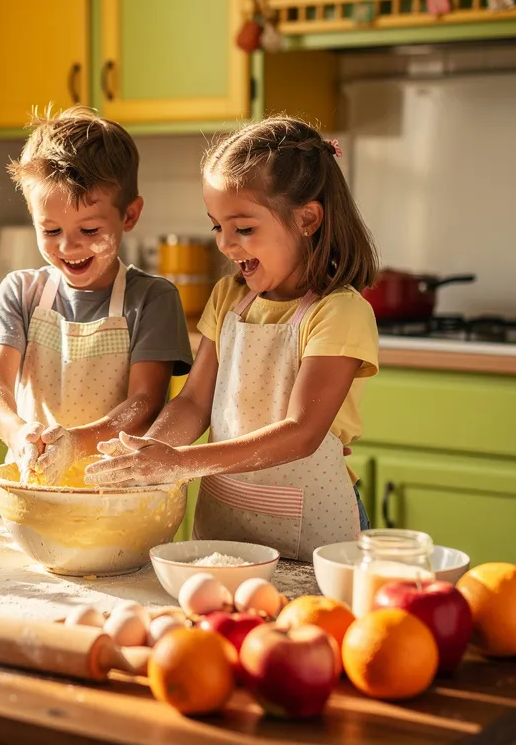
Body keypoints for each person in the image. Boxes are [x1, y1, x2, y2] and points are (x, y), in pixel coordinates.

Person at [86, 115, 379, 561]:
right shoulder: (228, 298)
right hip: (224, 529)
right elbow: (193, 402)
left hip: (313, 539)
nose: (225, 244)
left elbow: (302, 433)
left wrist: (182, 463)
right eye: (216, 226)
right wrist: (156, 451)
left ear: (307, 219)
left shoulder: (339, 312)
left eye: (243, 228)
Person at [0, 106, 193, 486]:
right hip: (35, 482)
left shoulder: (152, 300)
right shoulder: (21, 292)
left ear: (129, 216)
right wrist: (17, 433)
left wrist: (74, 444)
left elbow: (144, 403)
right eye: (50, 229)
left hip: (118, 491)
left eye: (89, 229)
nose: (68, 245)